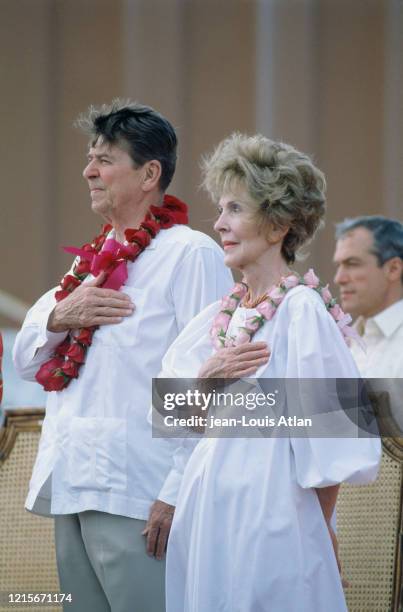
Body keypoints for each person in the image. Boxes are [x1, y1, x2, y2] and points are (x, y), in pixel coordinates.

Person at [12, 100, 233, 612]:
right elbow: (27, 361)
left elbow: (209, 382)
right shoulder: (87, 267)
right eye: (91, 158)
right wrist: (58, 316)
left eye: (106, 159)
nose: (89, 170)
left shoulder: (190, 253)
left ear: (150, 173)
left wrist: (177, 489)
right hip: (70, 483)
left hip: (141, 490)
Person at [158, 134, 381, 611]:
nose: (219, 224)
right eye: (220, 209)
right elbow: (173, 416)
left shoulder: (301, 311)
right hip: (209, 514)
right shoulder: (220, 314)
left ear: (279, 225)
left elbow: (333, 436)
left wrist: (319, 536)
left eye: (235, 209)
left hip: (270, 517)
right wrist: (205, 382)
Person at [333, 216, 403, 382]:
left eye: (352, 263)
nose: (339, 278)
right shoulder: (343, 345)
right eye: (339, 265)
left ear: (393, 269)